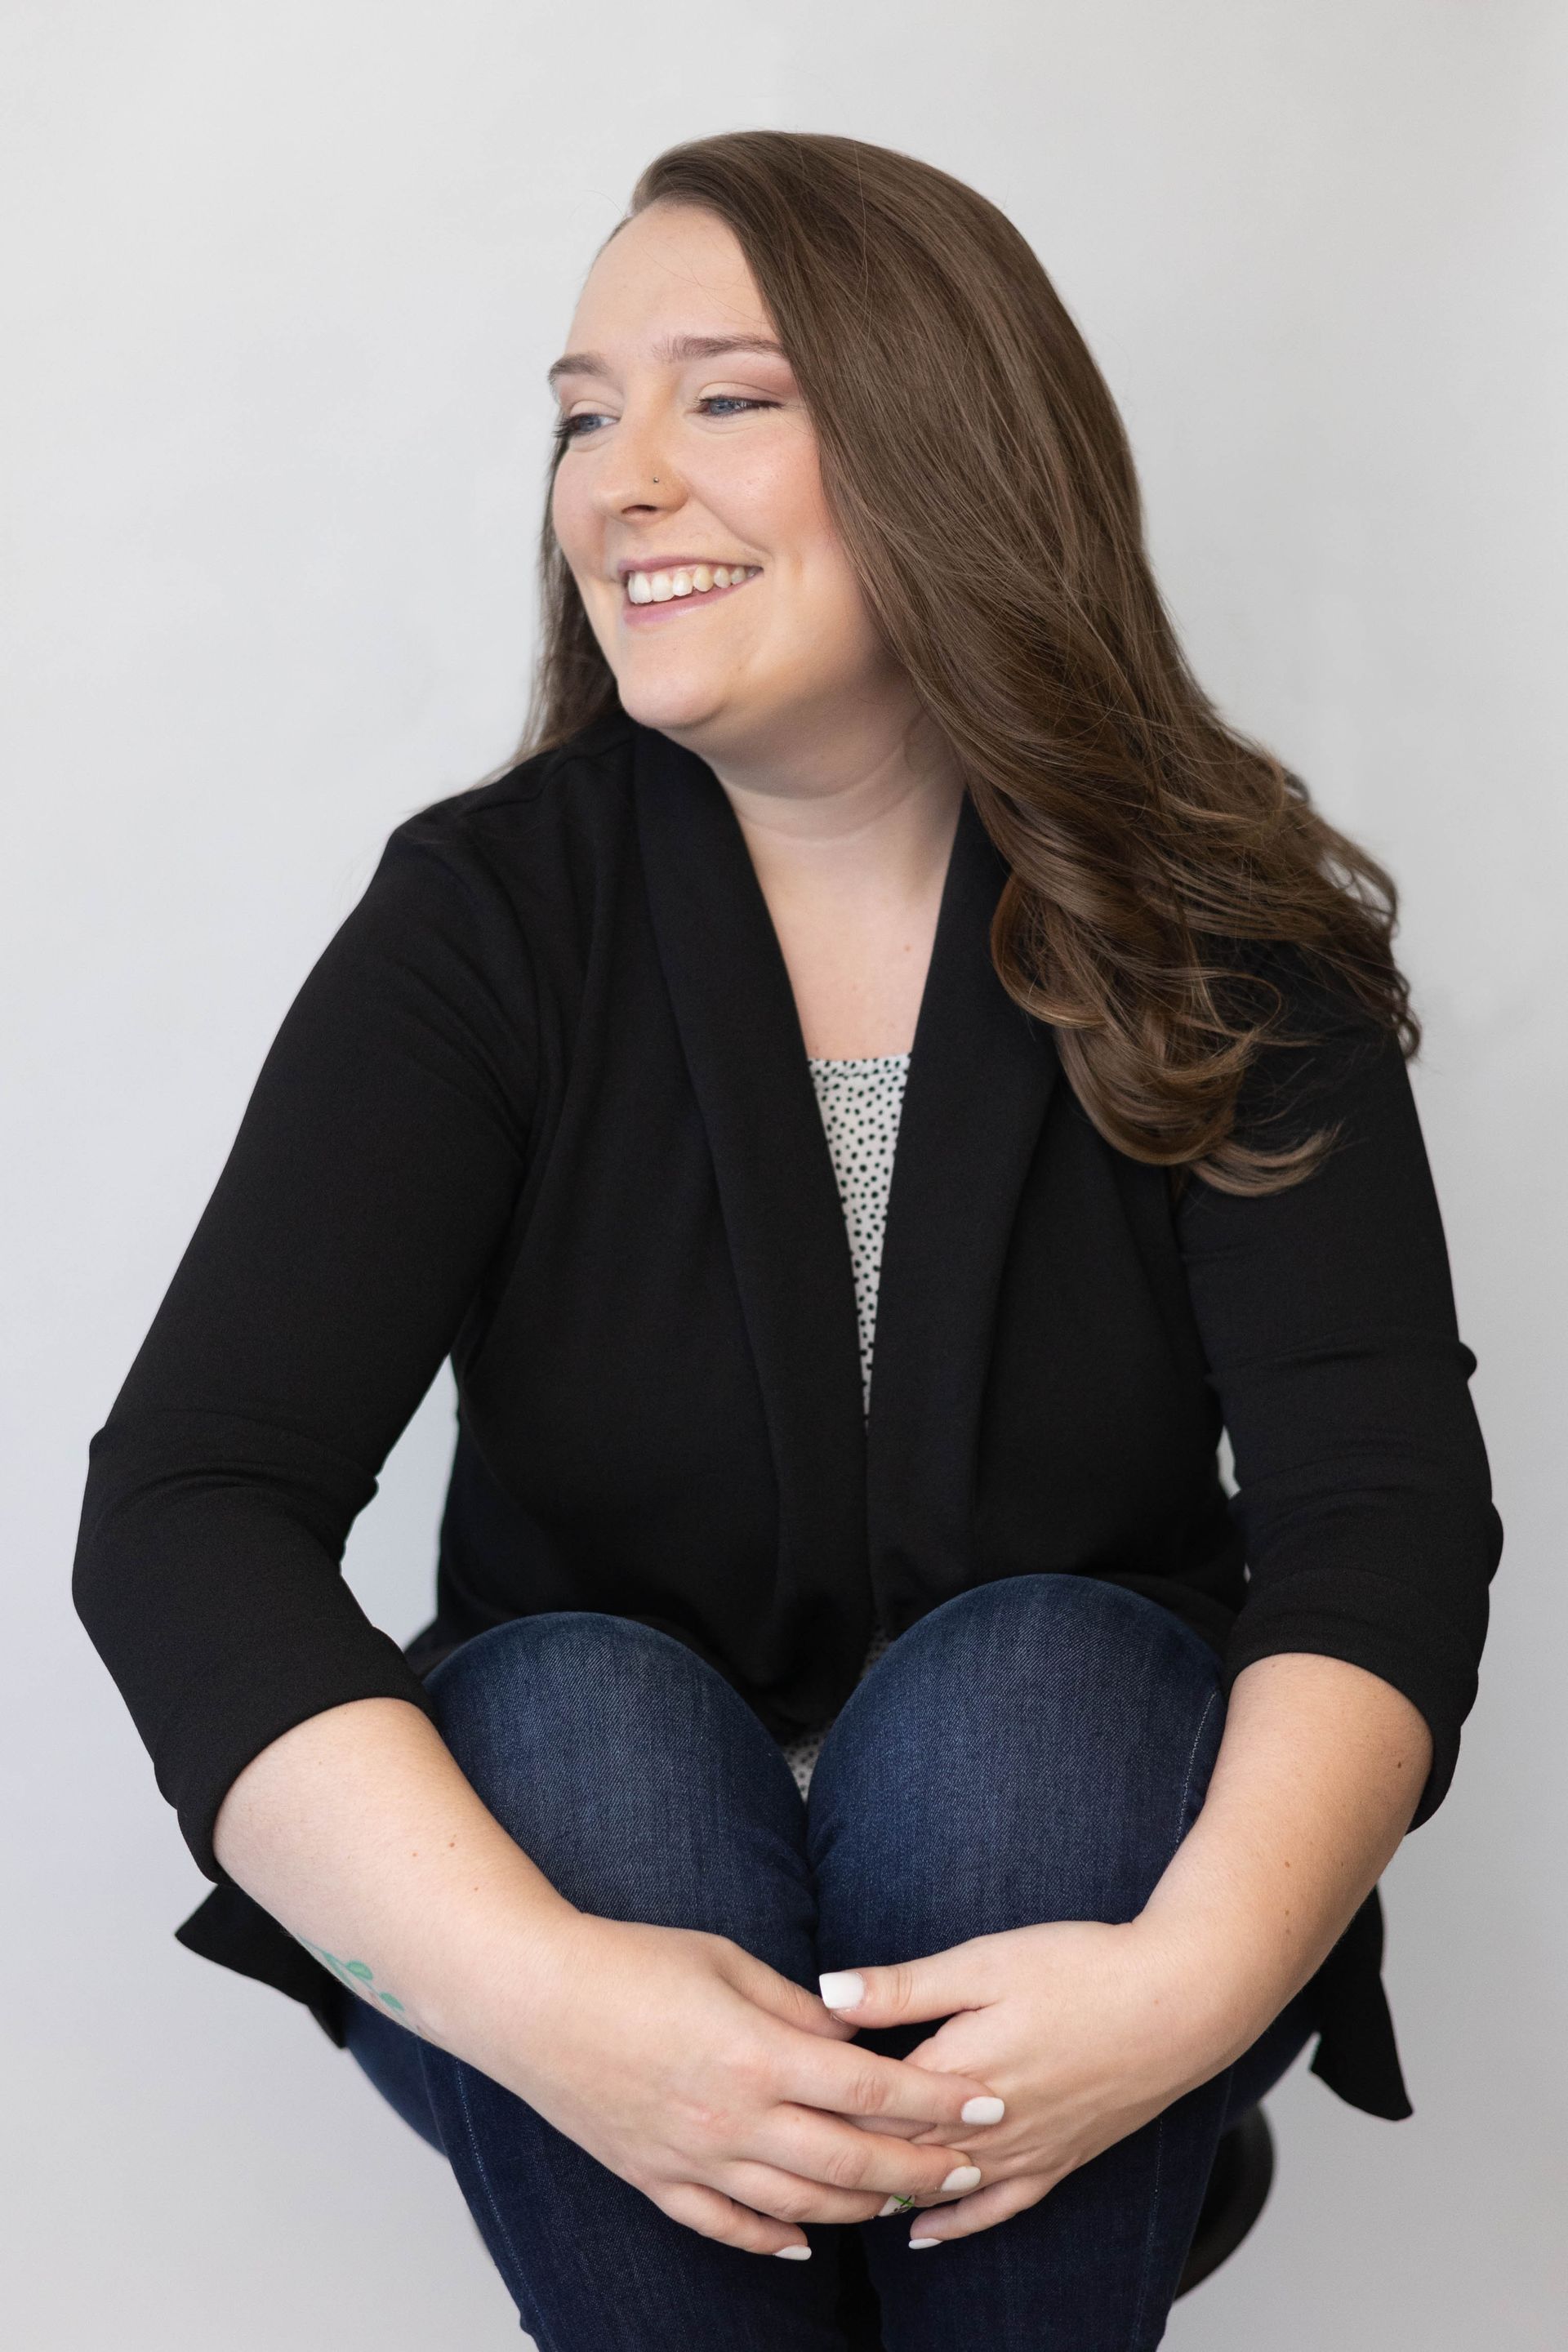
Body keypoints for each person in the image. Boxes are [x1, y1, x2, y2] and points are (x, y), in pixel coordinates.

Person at [72, 130, 1502, 2350]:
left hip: (1094, 1890)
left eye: (724, 396)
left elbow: (1383, 1522)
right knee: (570, 1712)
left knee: (1038, 1682)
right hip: (589, 1916)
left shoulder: (1233, 947)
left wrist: (1195, 1988)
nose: (618, 476)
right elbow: (185, 1512)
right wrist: (548, 2005)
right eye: (580, 409)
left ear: (945, 440)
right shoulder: (488, 922)